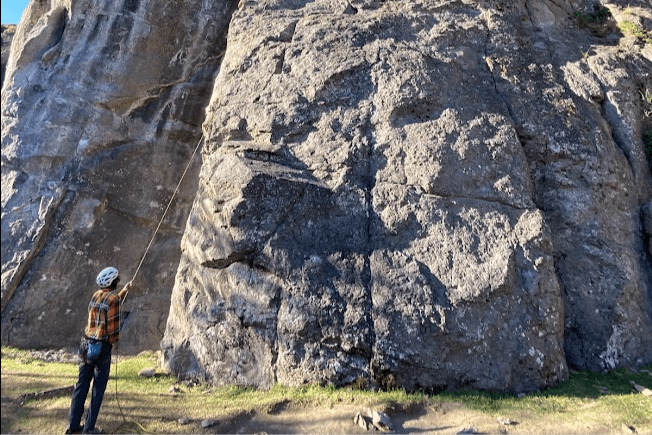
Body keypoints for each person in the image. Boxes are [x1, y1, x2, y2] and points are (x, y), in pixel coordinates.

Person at [65, 267, 131, 434]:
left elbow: (107, 305)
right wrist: (114, 340)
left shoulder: (96, 295)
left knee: (81, 385)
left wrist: (124, 292)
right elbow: (113, 329)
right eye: (117, 279)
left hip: (86, 344)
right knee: (97, 389)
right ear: (113, 282)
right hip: (101, 347)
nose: (119, 280)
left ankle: (72, 426)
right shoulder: (113, 299)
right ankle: (89, 430)